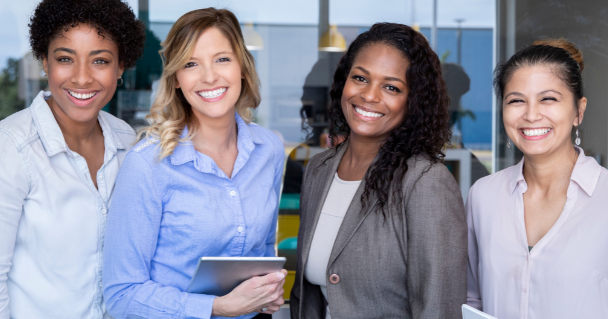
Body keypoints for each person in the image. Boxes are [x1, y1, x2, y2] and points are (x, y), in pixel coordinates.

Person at [102, 8, 286, 319]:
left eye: (222, 59)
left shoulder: (268, 149)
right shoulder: (148, 164)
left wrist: (268, 288)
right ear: (175, 79)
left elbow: (264, 249)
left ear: (242, 66)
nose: (210, 76)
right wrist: (217, 308)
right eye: (191, 64)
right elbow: (121, 294)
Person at [290, 23, 468, 319]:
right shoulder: (320, 169)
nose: (369, 96)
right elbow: (308, 297)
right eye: (360, 78)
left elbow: (439, 308)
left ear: (413, 101)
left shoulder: (425, 182)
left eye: (391, 87)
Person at [0, 0, 145, 318]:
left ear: (120, 67)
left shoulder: (126, 141)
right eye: (65, 58)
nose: (82, 78)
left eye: (101, 61)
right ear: (44, 62)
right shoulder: (11, 148)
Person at [467, 39, 608, 318]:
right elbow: (473, 298)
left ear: (578, 111)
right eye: (516, 100)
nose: (531, 115)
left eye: (548, 99)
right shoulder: (483, 196)